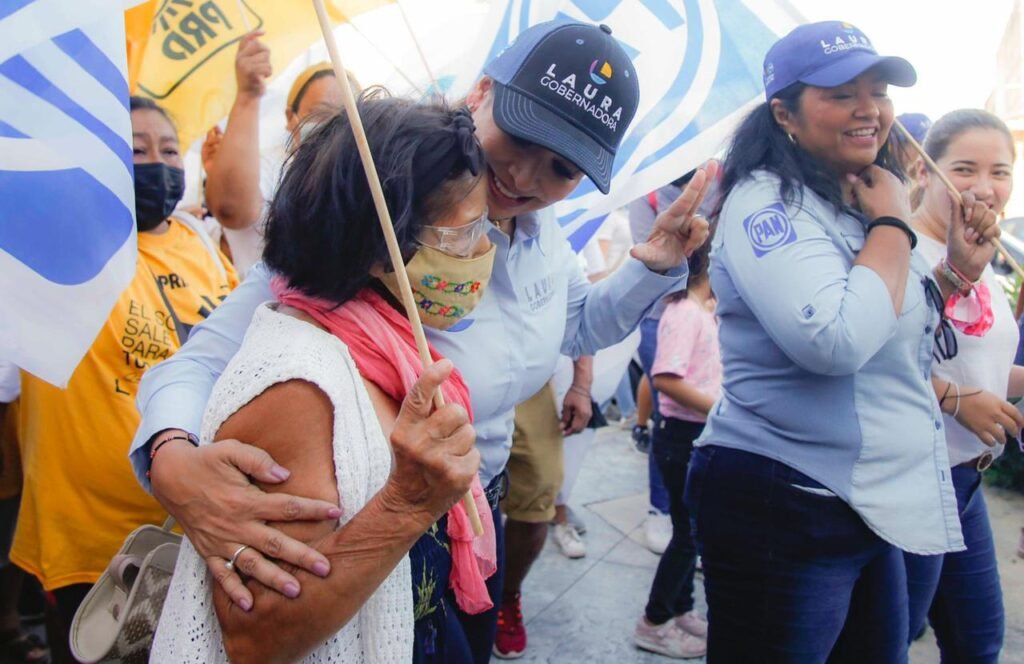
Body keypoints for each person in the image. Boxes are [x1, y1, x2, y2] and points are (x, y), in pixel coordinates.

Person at [131, 19, 713, 664]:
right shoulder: (379, 211)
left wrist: (654, 264)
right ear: (482, 92)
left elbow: (577, 326)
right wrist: (172, 457)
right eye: (519, 138)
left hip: (476, 512)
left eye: (562, 169)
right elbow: (209, 359)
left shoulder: (542, 235)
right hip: (378, 518)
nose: (523, 179)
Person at [685, 21, 1001, 661]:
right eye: (840, 92)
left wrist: (955, 272)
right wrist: (894, 223)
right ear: (785, 113)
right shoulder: (766, 204)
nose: (870, 109)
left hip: (863, 501)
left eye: (878, 90)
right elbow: (834, 340)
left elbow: (892, 322)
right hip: (786, 499)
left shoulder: (849, 196)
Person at [153, 92, 493, 663]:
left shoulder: (386, 347)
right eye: (461, 235)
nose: (484, 250)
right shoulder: (302, 386)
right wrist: (407, 507)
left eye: (485, 227)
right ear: (378, 245)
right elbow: (255, 635)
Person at [8, 97, 238, 658]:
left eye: (167, 149)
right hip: (95, 545)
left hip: (195, 531)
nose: (156, 163)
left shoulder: (196, 243)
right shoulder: (59, 248)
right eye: (135, 150)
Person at [904, 109, 1024, 662]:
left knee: (978, 643)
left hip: (968, 483)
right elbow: (867, 365)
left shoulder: (988, 258)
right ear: (924, 169)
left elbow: (987, 372)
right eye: (965, 168)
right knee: (890, 638)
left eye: (1000, 171)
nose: (984, 186)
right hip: (912, 482)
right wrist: (954, 402)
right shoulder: (901, 252)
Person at [203, 31, 359, 276]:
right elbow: (231, 208)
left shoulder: (367, 179)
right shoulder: (267, 167)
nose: (334, 127)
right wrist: (248, 96)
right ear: (290, 117)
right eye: (320, 114)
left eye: (346, 117)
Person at [633, 242, 718, 659]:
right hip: (682, 436)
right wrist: (722, 410)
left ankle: (681, 609)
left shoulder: (704, 312)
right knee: (689, 535)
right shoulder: (684, 314)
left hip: (696, 436)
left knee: (692, 532)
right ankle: (653, 621)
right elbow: (665, 378)